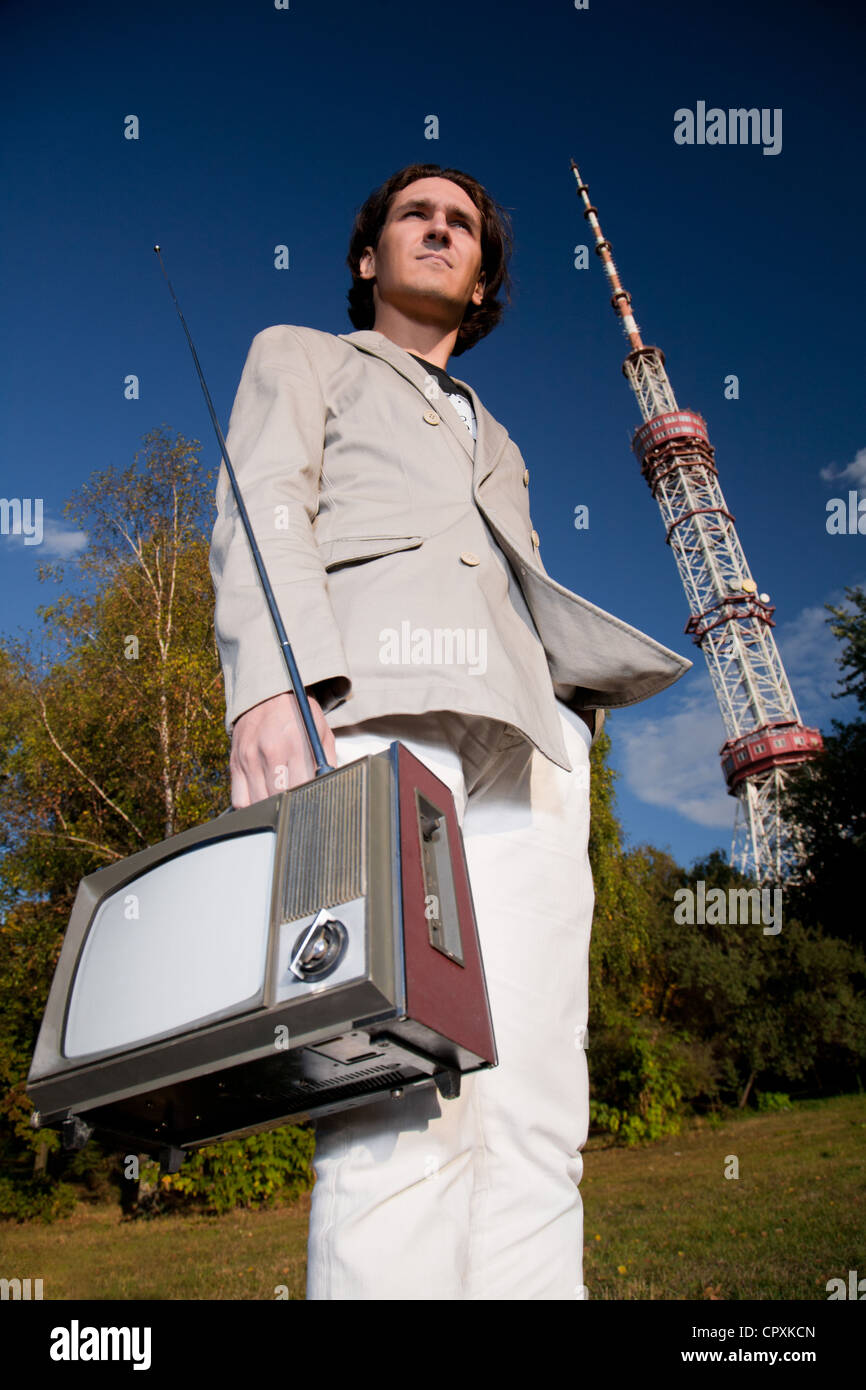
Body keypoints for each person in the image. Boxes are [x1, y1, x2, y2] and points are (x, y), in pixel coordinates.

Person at [209, 162, 691, 1299]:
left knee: (534, 1096)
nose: (438, 228)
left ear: (482, 285)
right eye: (412, 215)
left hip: (529, 749)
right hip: (371, 716)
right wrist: (270, 685)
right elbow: (259, 504)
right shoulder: (300, 353)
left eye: (461, 224)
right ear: (368, 258)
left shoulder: (501, 437)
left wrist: (574, 721)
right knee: (395, 1087)